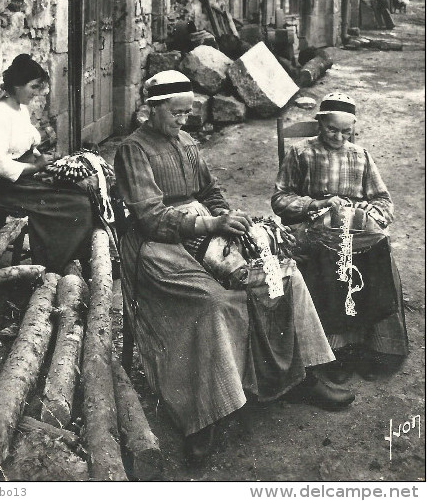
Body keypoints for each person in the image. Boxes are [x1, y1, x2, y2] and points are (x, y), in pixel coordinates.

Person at [114, 71, 355, 462]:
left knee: (281, 276)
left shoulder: (187, 141)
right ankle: (205, 413)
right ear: (152, 109)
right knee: (211, 303)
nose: (183, 121)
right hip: (157, 247)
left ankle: (301, 374)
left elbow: (210, 192)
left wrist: (231, 221)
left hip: (205, 231)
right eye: (176, 113)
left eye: (188, 113)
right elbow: (150, 217)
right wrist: (210, 224)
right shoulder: (133, 149)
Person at [271, 92, 408, 384]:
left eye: (347, 131)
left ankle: (372, 344)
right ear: (319, 124)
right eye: (332, 129)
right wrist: (315, 204)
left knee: (376, 248)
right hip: (311, 226)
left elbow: (384, 202)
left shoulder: (360, 157)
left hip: (351, 227)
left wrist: (369, 210)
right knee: (334, 255)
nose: (339, 136)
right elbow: (280, 199)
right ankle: (338, 350)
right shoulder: (301, 153)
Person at [0, 54, 94, 273]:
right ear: (16, 85)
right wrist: (36, 167)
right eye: (33, 86)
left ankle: (72, 259)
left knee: (78, 191)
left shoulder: (19, 109)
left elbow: (24, 145)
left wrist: (45, 160)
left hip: (23, 177)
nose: (37, 92)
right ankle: (54, 266)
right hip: (5, 187)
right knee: (76, 205)